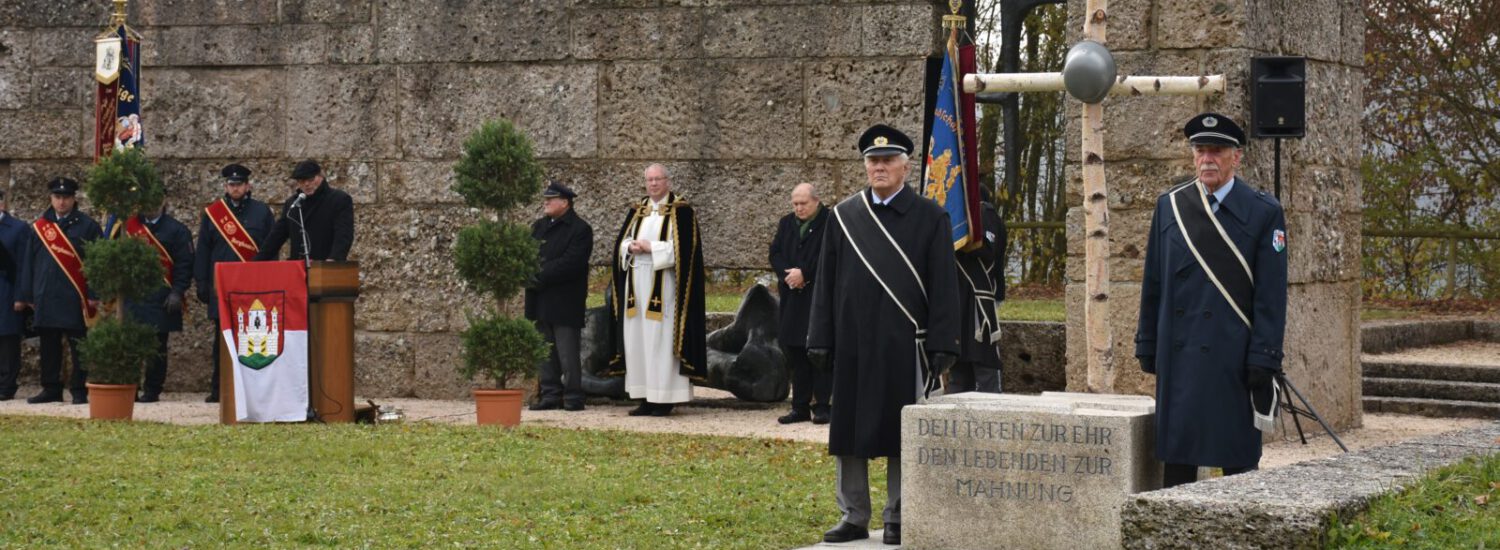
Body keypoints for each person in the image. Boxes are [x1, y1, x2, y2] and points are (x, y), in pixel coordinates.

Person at [807, 124, 961, 545]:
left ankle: (899, 514)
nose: (879, 167)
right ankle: (853, 514)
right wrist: (820, 335)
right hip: (852, 341)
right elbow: (826, 281)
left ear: (905, 167)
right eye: (873, 161)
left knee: (900, 430)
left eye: (888, 160)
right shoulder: (844, 216)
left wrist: (944, 341)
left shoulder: (930, 216)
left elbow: (944, 285)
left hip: (904, 343)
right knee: (847, 430)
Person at [1135, 113, 1288, 487]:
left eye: (1216, 151)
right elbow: (1153, 281)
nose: (1207, 159)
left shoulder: (1264, 212)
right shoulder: (1170, 206)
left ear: (1236, 156)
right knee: (1178, 467)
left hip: (1233, 357)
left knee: (1238, 464)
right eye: (1200, 150)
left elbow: (1271, 295)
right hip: (1180, 357)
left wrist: (1264, 356)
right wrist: (1147, 342)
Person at [606, 163, 707, 418]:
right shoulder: (637, 210)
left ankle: (664, 398)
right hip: (636, 284)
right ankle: (645, 396)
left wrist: (652, 248)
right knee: (637, 338)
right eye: (649, 180)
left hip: (664, 286)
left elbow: (685, 252)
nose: (653, 184)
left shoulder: (681, 211)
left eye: (657, 179)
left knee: (660, 340)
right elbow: (621, 244)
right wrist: (630, 247)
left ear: (667, 181)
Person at [194, 163, 275, 403]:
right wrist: (201, 281)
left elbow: (271, 249)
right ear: (226, 186)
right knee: (222, 340)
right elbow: (203, 250)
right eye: (231, 184)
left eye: (239, 184)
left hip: (253, 285)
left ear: (248, 186)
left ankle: (253, 389)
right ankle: (220, 389)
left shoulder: (262, 212)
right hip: (222, 286)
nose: (235, 188)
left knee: (254, 338)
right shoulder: (213, 214)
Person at [17, 177, 102, 404]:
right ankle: (51, 388)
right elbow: (29, 262)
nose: (61, 202)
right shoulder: (39, 227)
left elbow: (98, 263)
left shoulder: (89, 226)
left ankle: (79, 390)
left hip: (75, 296)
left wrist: (93, 294)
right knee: (49, 346)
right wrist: (27, 295)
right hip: (46, 294)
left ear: (74, 199)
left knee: (79, 347)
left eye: (66, 197)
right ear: (51, 198)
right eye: (57, 197)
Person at [524, 181, 594, 412]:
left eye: (550, 199)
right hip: (539, 297)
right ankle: (550, 394)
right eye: (545, 199)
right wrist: (529, 273)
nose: (545, 202)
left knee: (567, 351)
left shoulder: (580, 229)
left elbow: (571, 263)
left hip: (565, 299)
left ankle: (573, 396)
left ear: (565, 202)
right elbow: (527, 254)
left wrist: (539, 274)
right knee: (544, 350)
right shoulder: (539, 226)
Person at [768, 182, 831, 425]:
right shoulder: (787, 223)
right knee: (795, 351)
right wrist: (788, 275)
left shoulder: (829, 221)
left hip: (818, 296)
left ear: (816, 201)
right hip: (792, 296)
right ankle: (800, 406)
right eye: (795, 203)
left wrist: (805, 273)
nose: (799, 208)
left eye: (803, 203)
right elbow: (775, 252)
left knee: (819, 350)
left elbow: (829, 255)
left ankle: (823, 405)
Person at [123, 200, 195, 403]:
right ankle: (130, 388)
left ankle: (152, 390)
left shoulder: (177, 230)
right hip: (133, 295)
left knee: (157, 347)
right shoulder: (128, 227)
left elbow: (185, 264)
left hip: (161, 297)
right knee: (131, 345)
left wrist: (177, 292)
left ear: (164, 201)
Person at [947, 186, 1006, 393]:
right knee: (958, 368)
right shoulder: (957, 218)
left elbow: (988, 251)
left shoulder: (985, 213)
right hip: (958, 298)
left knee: (985, 367)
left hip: (979, 302)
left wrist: (960, 239)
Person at [256, 160, 354, 262]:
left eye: (311, 179)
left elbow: (343, 234)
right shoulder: (292, 204)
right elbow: (277, 236)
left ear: (320, 176)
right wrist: (256, 262)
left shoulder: (338, 199)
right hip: (298, 266)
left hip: (324, 264)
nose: (306, 184)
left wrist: (334, 259)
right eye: (302, 181)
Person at [0, 191, 29, 401]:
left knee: (7, 338)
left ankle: (6, 385)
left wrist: (21, 295)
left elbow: (24, 266)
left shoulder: (18, 228)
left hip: (6, 289)